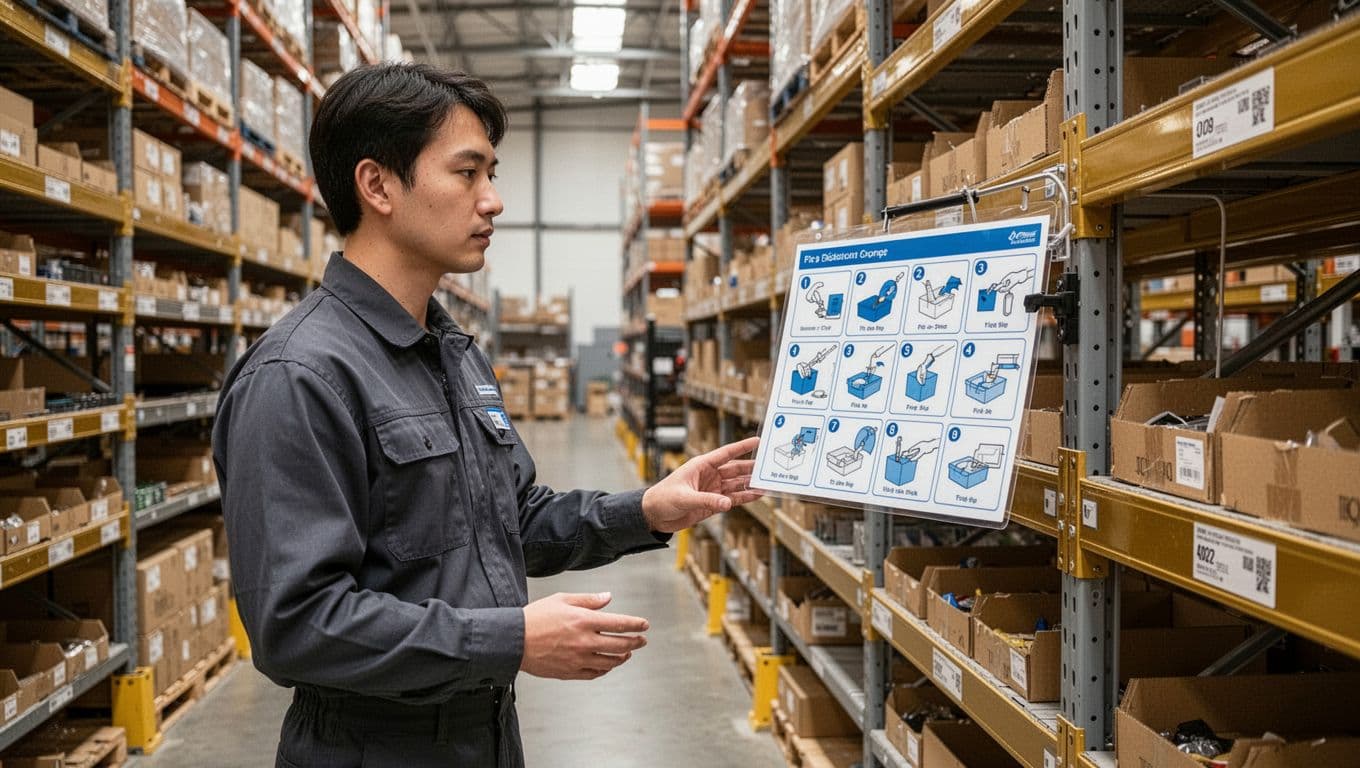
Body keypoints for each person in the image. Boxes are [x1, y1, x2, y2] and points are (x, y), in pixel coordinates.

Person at [211, 63, 762, 768]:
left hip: (486, 734)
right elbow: (296, 624)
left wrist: (649, 509)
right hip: (374, 748)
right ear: (377, 185)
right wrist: (512, 640)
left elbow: (507, 521)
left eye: (491, 173)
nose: (494, 200)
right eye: (467, 173)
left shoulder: (452, 353)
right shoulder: (299, 376)